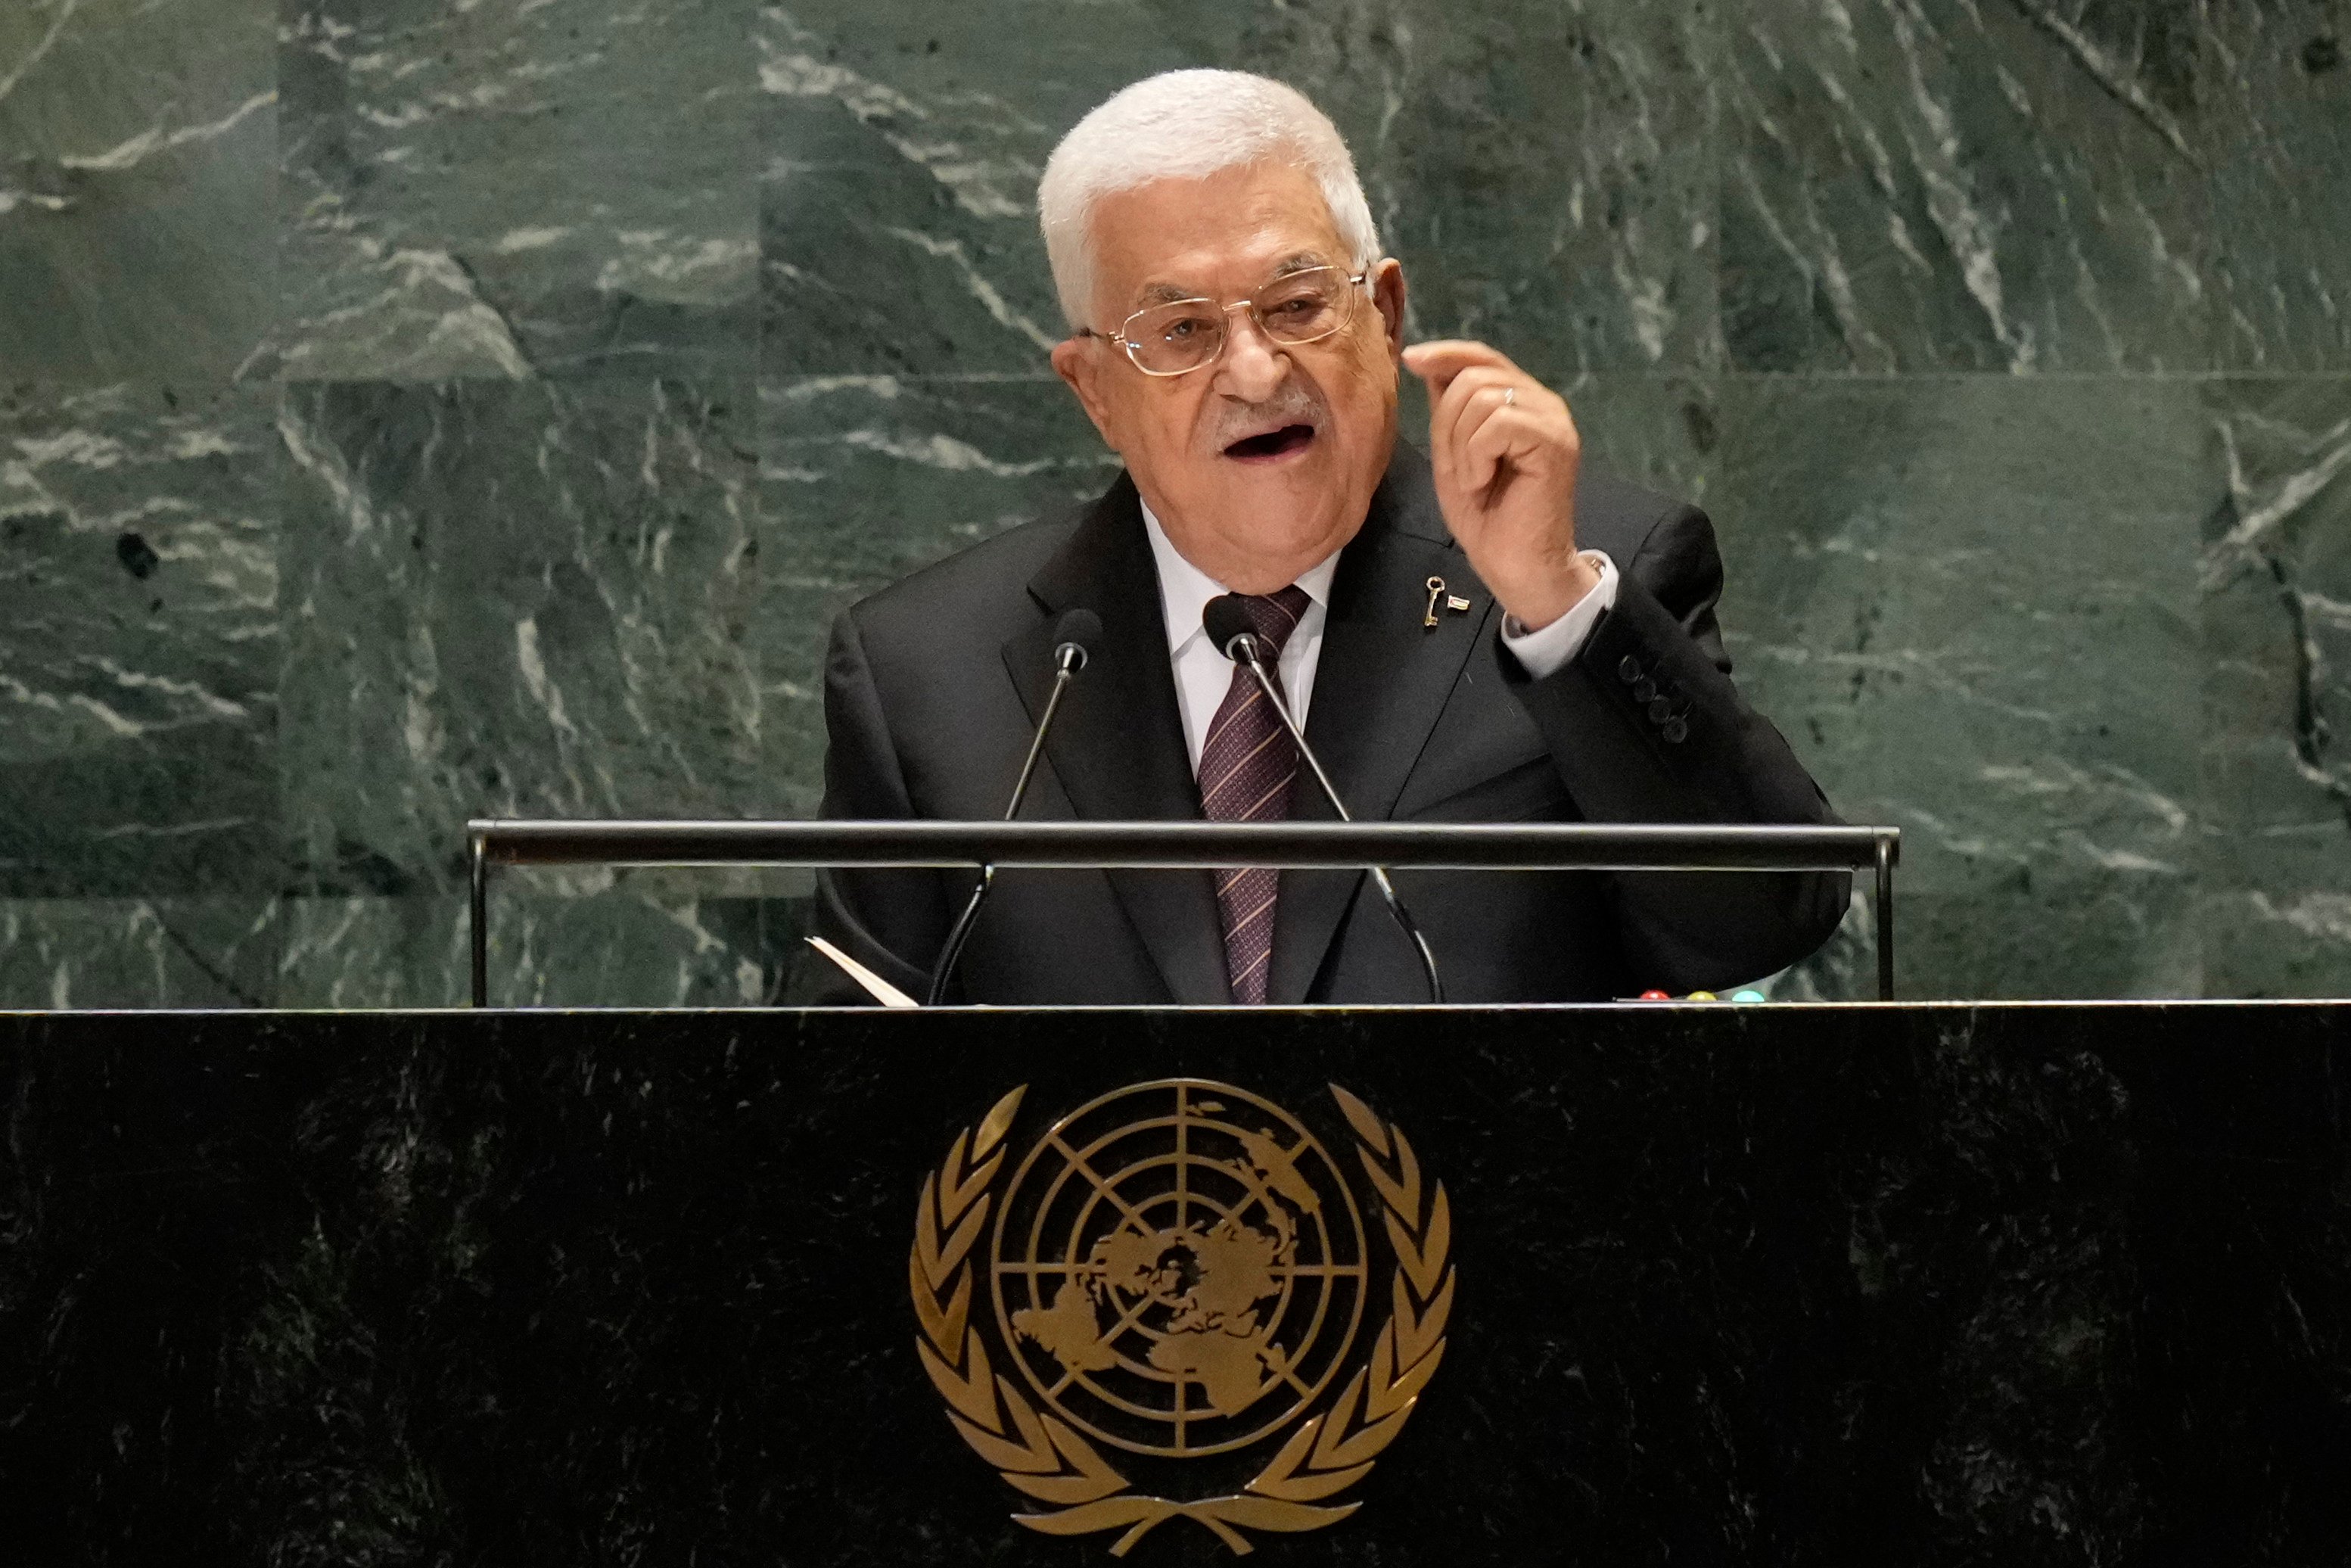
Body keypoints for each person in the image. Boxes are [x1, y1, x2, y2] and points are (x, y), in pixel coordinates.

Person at [809, 69, 1847, 1006]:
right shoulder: (928, 675)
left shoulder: (1582, 580)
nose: (1257, 373)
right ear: (1094, 391)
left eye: (1298, 304)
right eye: (1182, 332)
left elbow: (1763, 921)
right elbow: (822, 1103)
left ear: (1386, 317)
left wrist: (1557, 607)